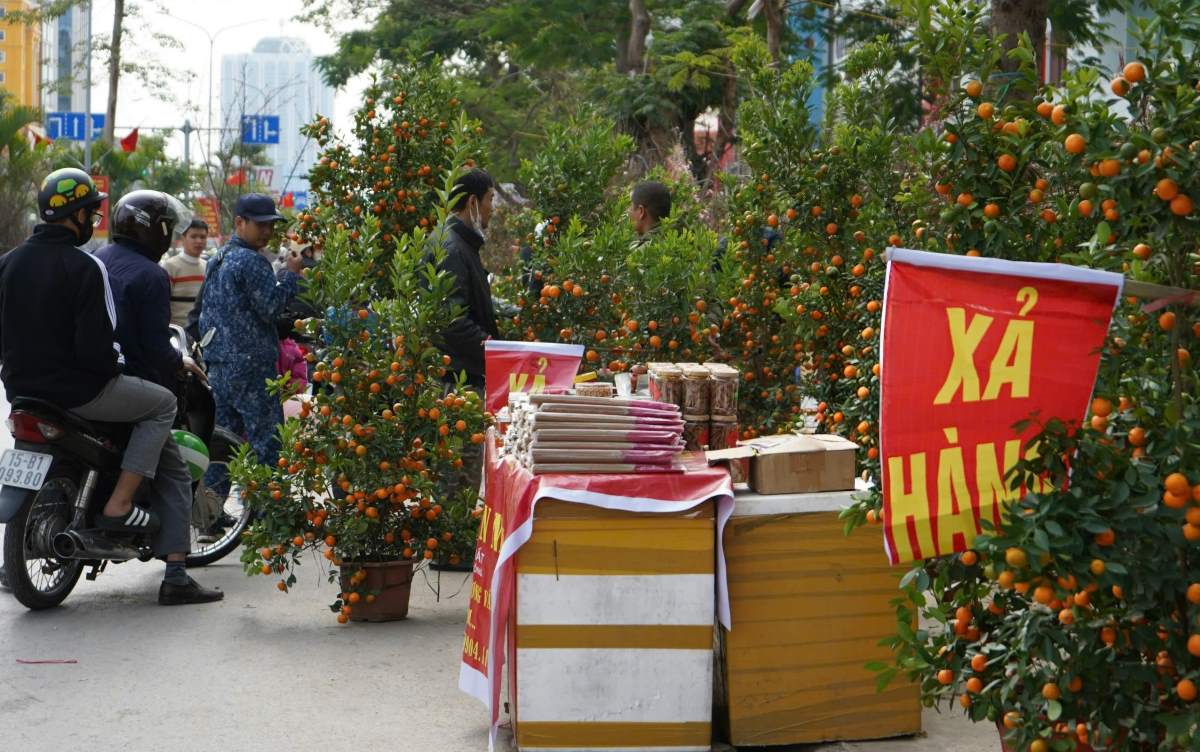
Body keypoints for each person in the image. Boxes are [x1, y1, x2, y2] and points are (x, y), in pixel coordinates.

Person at [0, 168, 218, 604]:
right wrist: (120, 369)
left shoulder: (8, 262)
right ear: (78, 216)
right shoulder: (86, 266)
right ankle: (128, 514)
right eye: (89, 212)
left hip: (23, 391)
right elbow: (99, 347)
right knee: (157, 406)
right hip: (81, 393)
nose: (92, 221)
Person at [94, 190, 222, 605]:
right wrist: (176, 366)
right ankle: (177, 575)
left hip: (73, 378)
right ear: (157, 231)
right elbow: (151, 347)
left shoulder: (99, 258)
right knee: (174, 469)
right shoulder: (151, 275)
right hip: (121, 383)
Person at [198, 193, 303, 475]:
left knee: (222, 445)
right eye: (261, 225)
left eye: (271, 225)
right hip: (252, 368)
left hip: (219, 365)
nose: (267, 232)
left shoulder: (217, 258)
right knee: (268, 445)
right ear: (240, 222)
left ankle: (213, 511)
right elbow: (272, 308)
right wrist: (291, 274)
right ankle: (267, 513)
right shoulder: (251, 261)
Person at [435, 168, 499, 390]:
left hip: (462, 373)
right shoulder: (452, 249)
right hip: (458, 382)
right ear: (473, 201)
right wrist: (496, 350)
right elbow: (452, 320)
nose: (493, 208)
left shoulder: (460, 244)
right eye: (491, 198)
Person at [161, 218, 209, 328]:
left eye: (202, 237)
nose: (199, 241)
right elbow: (163, 304)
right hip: (177, 333)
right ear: (183, 238)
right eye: (193, 236)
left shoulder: (207, 266)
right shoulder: (170, 266)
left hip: (202, 332)